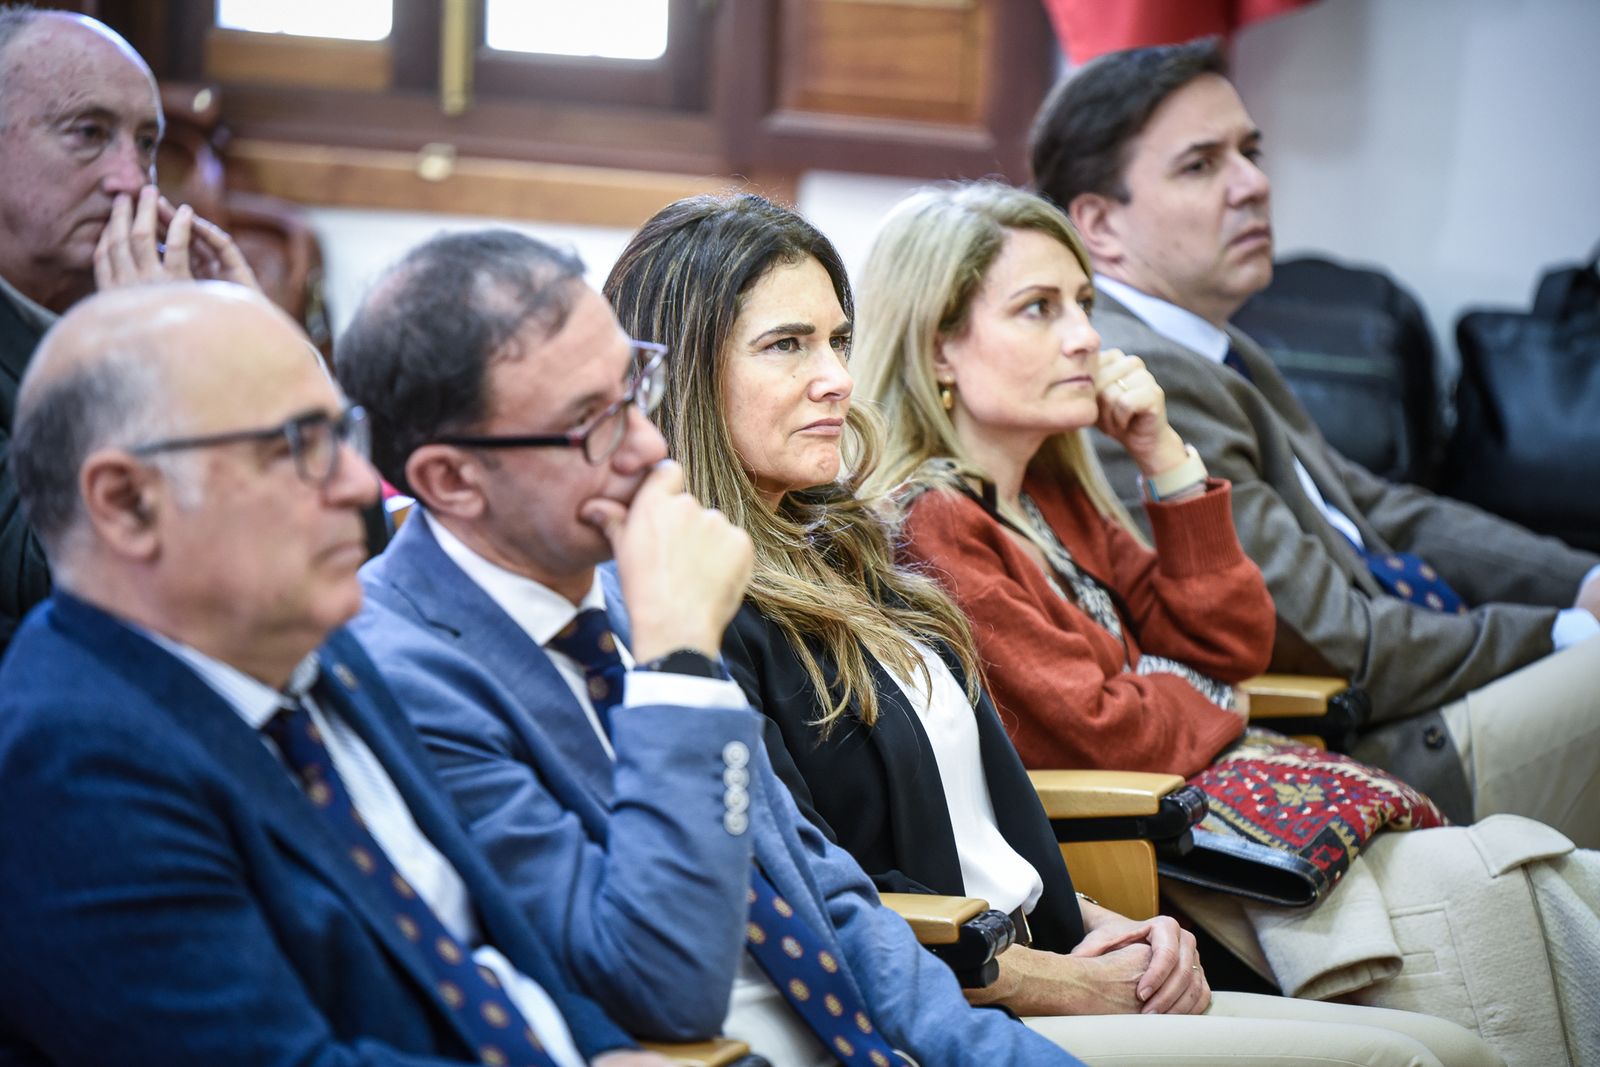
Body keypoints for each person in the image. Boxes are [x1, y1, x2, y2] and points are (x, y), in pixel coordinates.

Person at [602, 191, 1499, 1067]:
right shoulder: (694, 599)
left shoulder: (849, 551)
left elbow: (989, 832)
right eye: (786, 345)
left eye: (838, 339)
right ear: (680, 372)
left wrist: (1127, 934)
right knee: (1422, 1056)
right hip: (957, 998)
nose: (836, 375)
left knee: (1456, 1045)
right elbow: (824, 890)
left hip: (1047, 947)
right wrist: (1056, 979)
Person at [850, 178, 1598, 1067]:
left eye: (1083, 303)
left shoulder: (1049, 491)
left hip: (1226, 805)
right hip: (1160, 853)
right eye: (1038, 310)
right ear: (939, 348)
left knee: (1559, 876)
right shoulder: (935, 523)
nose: (1085, 337)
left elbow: (1231, 642)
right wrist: (1215, 702)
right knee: (1520, 893)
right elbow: (1105, 733)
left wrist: (1164, 457)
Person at [335, 228, 1084, 1067]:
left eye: (635, 388)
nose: (651, 444)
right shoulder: (399, 672)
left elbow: (821, 891)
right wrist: (682, 669)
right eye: (591, 424)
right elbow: (661, 986)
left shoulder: (622, 590)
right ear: (450, 480)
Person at [0, 281, 668, 1066]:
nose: (361, 486)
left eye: (344, 435)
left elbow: (488, 933)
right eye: (300, 446)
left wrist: (607, 1048)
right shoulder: (66, 762)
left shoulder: (322, 645)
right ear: (127, 502)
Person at [1027, 36, 1600, 843]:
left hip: (1423, 686)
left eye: (1250, 153)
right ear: (1099, 225)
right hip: (1377, 745)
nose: (1254, 184)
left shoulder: (1214, 342)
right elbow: (1330, 637)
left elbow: (1380, 512)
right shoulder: (1132, 373)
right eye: (1201, 165)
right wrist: (1560, 630)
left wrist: (1581, 578)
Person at [0, 7, 259, 653]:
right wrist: (156, 353)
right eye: (88, 133)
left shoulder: (133, 301)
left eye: (146, 144)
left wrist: (262, 352)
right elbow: (51, 580)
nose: (129, 180)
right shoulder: (137, 325)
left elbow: (349, 540)